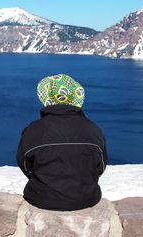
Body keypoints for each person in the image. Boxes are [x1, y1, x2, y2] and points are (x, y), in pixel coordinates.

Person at [16, 74, 108, 211]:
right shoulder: (92, 129)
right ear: (76, 98)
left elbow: (24, 163)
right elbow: (100, 166)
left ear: (45, 97)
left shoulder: (33, 130)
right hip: (86, 198)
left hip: (41, 199)